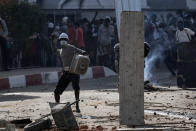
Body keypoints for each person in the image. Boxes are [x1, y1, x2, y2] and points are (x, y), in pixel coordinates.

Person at [51, 33, 86, 113]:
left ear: (67, 40)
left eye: (64, 39)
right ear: (59, 41)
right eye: (61, 40)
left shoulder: (71, 47)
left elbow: (81, 51)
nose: (63, 41)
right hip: (65, 73)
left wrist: (83, 54)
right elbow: (54, 50)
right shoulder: (61, 51)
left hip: (74, 72)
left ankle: (77, 106)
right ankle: (58, 108)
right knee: (56, 92)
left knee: (76, 88)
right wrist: (52, 41)